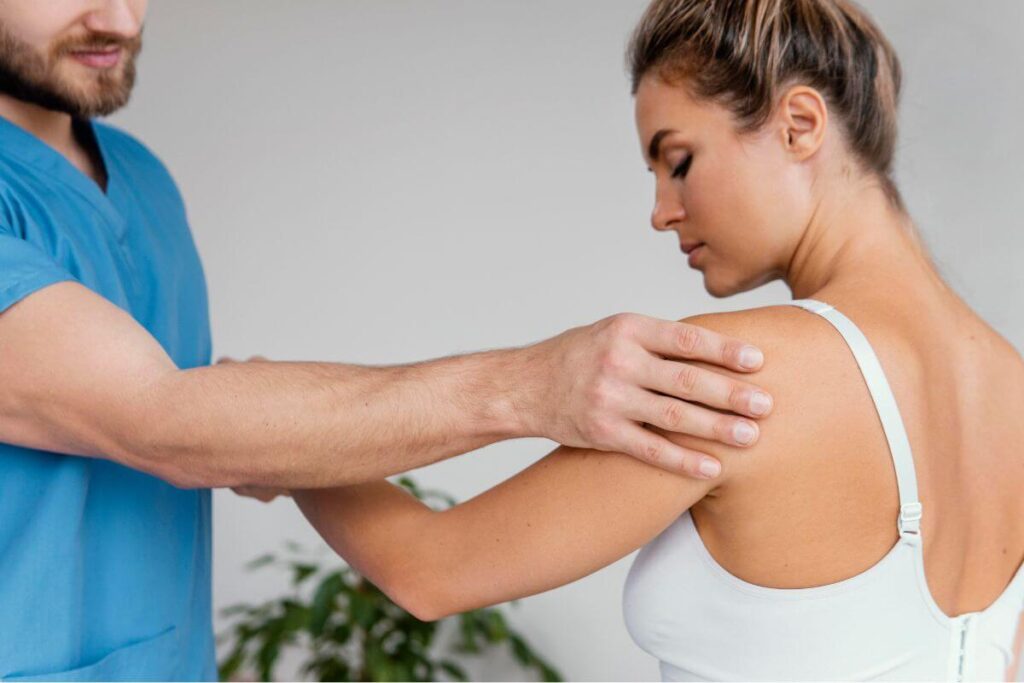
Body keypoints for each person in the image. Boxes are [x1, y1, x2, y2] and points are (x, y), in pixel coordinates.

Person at [0, 1, 779, 680]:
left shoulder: (143, 179)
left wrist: (257, 429)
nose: (119, 18)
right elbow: (165, 420)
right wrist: (534, 384)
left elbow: (207, 431)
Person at [289, 0, 1024, 679]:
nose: (661, 211)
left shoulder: (742, 373)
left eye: (678, 162)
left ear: (800, 125)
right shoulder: (1011, 381)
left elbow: (427, 569)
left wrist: (290, 457)